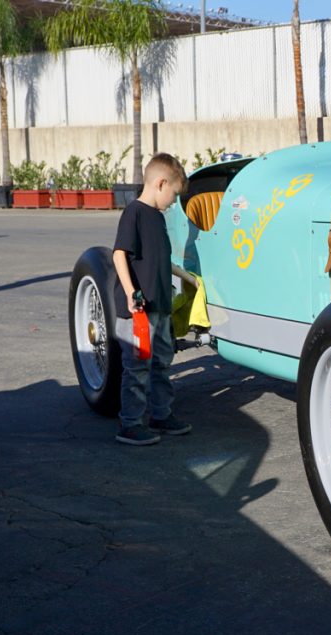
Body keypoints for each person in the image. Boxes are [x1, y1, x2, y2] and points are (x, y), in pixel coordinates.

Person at [112, 153, 192, 446]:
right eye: (173, 194)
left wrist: (189, 279)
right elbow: (119, 253)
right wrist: (132, 292)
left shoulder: (158, 218)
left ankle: (161, 414)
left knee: (161, 362)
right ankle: (130, 423)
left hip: (160, 308)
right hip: (139, 311)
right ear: (160, 183)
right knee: (137, 366)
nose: (173, 202)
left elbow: (161, 260)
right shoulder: (134, 213)